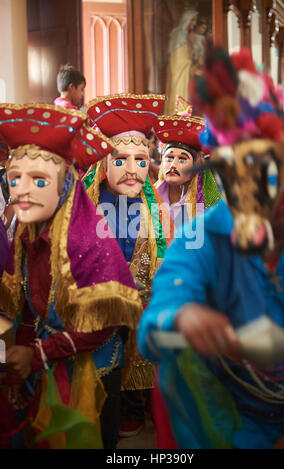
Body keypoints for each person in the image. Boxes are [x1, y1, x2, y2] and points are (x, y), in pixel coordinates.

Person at [138, 46, 284, 449]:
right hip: (226, 420)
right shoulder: (205, 235)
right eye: (231, 170)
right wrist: (182, 315)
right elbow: (152, 326)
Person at [0, 103, 142, 449]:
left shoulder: (89, 238)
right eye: (15, 179)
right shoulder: (24, 233)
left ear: (65, 185)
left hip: (89, 375)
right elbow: (20, 306)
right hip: (42, 368)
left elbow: (104, 324)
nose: (22, 191)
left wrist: (39, 354)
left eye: (38, 180)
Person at [83, 93, 173, 438]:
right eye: (120, 160)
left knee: (132, 362)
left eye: (141, 159)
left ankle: (129, 412)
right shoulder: (86, 205)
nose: (133, 169)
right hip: (97, 309)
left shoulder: (156, 209)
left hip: (139, 304)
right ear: (103, 166)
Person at [154, 113, 220, 230]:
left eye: (182, 159)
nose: (173, 165)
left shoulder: (208, 203)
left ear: (197, 164)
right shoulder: (149, 196)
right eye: (169, 158)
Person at [165, 10, 198, 115]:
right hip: (180, 74)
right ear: (186, 20)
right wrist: (192, 67)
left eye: (195, 20)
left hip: (184, 72)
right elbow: (179, 59)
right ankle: (179, 115)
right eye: (193, 20)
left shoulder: (186, 35)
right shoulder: (179, 34)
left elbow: (189, 55)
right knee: (179, 91)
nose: (194, 23)